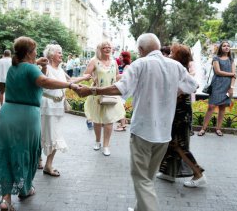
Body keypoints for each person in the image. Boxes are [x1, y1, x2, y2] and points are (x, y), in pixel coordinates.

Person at [76, 33, 198, 211]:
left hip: (143, 131)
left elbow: (119, 88)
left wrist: (92, 91)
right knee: (148, 178)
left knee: (141, 178)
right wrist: (171, 92)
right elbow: (193, 85)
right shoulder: (175, 65)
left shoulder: (139, 64)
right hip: (164, 133)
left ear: (141, 50)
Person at [0, 36, 81, 211]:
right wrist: (70, 85)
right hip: (26, 116)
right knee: (26, 154)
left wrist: (38, 63)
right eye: (34, 50)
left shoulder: (15, 67)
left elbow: (29, 70)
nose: (36, 52)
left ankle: (5, 199)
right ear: (29, 52)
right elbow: (44, 82)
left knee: (6, 153)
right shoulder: (30, 69)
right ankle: (25, 189)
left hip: (7, 114)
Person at [156, 44, 206, 188]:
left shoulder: (182, 70)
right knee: (172, 143)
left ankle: (198, 174)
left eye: (172, 52)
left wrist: (178, 91)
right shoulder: (176, 68)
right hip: (176, 110)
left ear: (179, 56)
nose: (169, 54)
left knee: (180, 145)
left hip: (180, 112)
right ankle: (168, 172)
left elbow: (194, 85)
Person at [40, 44, 89, 177]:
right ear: (51, 55)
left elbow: (70, 81)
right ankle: (44, 163)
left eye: (61, 52)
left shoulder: (60, 69)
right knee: (48, 134)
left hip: (58, 106)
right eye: (59, 53)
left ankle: (46, 163)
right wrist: (43, 66)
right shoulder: (46, 69)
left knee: (52, 135)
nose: (61, 55)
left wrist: (84, 78)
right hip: (47, 105)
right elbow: (45, 81)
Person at [83, 41, 126, 156]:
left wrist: (125, 75)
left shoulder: (114, 62)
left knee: (109, 120)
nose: (107, 49)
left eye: (109, 47)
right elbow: (86, 75)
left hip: (111, 94)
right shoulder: (94, 61)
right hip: (97, 94)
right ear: (100, 49)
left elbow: (116, 76)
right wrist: (92, 77)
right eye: (104, 48)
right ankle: (97, 141)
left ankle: (106, 145)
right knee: (97, 119)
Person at [198, 41, 236, 137]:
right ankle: (203, 128)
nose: (226, 47)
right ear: (221, 48)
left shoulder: (231, 59)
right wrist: (231, 74)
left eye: (228, 46)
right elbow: (218, 72)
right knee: (211, 106)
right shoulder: (216, 58)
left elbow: (234, 76)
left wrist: (231, 88)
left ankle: (218, 129)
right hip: (217, 85)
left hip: (227, 86)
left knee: (222, 107)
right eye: (224, 46)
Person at [115, 51, 131, 132]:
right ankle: (124, 122)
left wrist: (115, 76)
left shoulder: (127, 66)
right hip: (120, 87)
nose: (120, 56)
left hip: (124, 89)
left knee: (120, 105)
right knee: (120, 104)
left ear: (125, 57)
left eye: (122, 55)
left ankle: (123, 125)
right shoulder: (120, 66)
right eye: (120, 55)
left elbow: (124, 77)